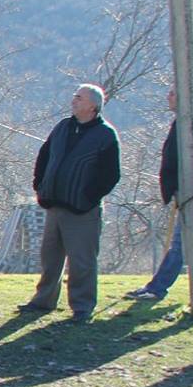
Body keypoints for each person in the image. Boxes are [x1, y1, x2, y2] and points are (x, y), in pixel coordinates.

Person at [128, 92, 193, 313]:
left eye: (173, 93)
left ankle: (159, 288)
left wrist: (186, 186)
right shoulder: (191, 117)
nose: (168, 98)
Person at [24, 83, 122, 321]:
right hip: (54, 204)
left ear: (93, 106)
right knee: (50, 257)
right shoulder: (63, 127)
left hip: (82, 211)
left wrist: (88, 198)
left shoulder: (105, 135)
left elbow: (111, 175)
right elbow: (44, 156)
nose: (74, 101)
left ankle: (82, 306)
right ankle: (44, 300)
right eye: (75, 96)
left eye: (79, 98)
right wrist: (40, 186)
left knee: (82, 260)